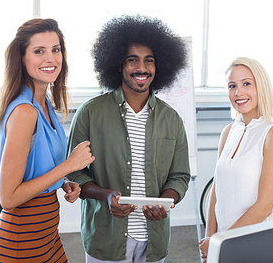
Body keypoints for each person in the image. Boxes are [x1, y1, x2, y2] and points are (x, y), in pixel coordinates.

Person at [66, 14, 191, 263]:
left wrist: (166, 201)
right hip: (106, 238)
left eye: (149, 61)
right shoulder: (90, 113)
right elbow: (74, 173)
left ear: (160, 66)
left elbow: (180, 176)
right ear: (118, 64)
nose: (141, 68)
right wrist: (106, 196)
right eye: (132, 60)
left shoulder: (172, 119)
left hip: (153, 240)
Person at [0, 18, 95, 262]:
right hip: (22, 241)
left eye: (56, 50)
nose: (51, 58)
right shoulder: (25, 112)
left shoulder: (44, 105)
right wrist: (70, 165)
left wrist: (63, 181)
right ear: (22, 59)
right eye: (39, 51)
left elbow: (38, 170)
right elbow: (9, 198)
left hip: (47, 236)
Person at [199, 57, 273, 263]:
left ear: (262, 86)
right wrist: (209, 236)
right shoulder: (229, 131)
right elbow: (217, 189)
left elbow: (264, 206)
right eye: (232, 86)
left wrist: (220, 241)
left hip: (258, 244)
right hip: (226, 241)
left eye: (246, 84)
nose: (238, 92)